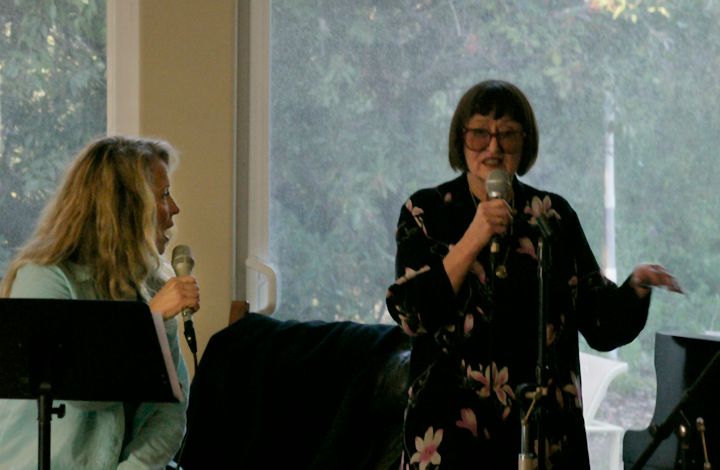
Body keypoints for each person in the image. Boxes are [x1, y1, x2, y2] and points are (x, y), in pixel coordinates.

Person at [385, 79, 682, 469]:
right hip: (449, 434)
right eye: (480, 134)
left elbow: (600, 324)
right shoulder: (426, 211)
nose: (493, 147)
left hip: (542, 432)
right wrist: (474, 237)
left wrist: (635, 288)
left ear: (524, 143)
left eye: (507, 134)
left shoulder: (552, 215)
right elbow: (412, 313)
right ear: (461, 139)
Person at [0, 135, 200, 469]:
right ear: (126, 207)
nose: (175, 208)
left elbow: (170, 412)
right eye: (164, 195)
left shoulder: (152, 285)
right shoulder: (44, 278)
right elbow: (80, 393)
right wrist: (147, 322)